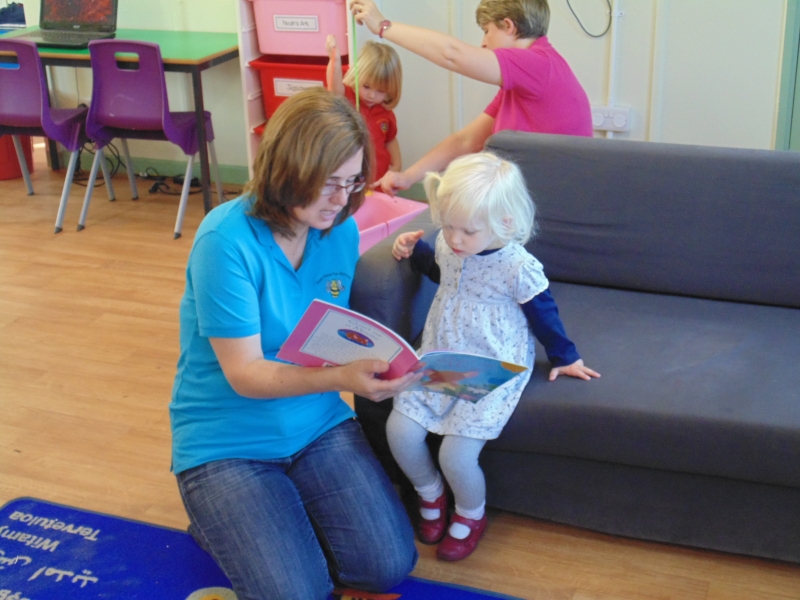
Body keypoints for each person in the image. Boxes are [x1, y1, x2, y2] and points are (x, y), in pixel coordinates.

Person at [169, 87, 420, 600]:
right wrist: (342, 379)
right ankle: (225, 522)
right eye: (329, 183)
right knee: (295, 594)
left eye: (352, 182)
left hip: (318, 427)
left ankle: (268, 525)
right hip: (226, 443)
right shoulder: (226, 240)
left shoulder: (339, 231)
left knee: (389, 566)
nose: (342, 199)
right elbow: (246, 374)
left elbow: (330, 330)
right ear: (288, 168)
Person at [388, 152, 600, 561]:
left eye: (467, 230)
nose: (453, 239)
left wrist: (564, 356)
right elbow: (442, 274)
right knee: (400, 431)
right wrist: (412, 253)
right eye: (447, 226)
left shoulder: (517, 267)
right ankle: (429, 493)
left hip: (491, 363)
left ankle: (470, 513)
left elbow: (543, 313)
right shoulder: (452, 247)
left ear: (504, 222)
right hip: (441, 353)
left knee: (456, 454)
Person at [349, 0, 592, 195]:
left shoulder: (540, 65)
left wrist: (383, 25)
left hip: (556, 201)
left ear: (509, 26)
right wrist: (408, 176)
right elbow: (466, 141)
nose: (483, 43)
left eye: (487, 31)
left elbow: (452, 54)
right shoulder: (523, 83)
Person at [327, 34, 403, 181]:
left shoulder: (386, 113)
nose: (372, 95)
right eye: (367, 87)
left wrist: (396, 166)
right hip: (351, 182)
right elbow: (334, 89)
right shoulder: (348, 98)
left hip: (378, 181)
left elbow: (390, 139)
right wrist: (334, 61)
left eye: (380, 90)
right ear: (357, 76)